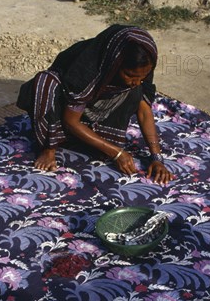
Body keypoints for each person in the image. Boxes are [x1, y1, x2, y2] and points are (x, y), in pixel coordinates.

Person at [17, 24, 174, 184]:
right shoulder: (88, 67)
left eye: (142, 77)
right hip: (65, 106)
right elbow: (70, 120)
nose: (135, 81)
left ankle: (86, 139)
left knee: (136, 92)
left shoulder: (144, 62)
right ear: (115, 63)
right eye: (129, 75)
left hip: (92, 109)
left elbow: (144, 111)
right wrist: (117, 153)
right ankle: (49, 148)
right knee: (45, 83)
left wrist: (156, 158)